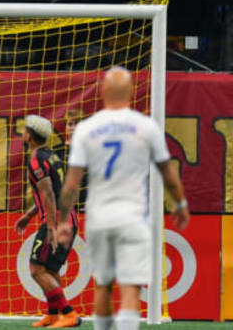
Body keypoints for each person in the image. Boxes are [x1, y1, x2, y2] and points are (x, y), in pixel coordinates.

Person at [58, 67, 189, 330]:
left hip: (99, 216)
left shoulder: (86, 129)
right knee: (129, 287)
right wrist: (181, 204)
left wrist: (62, 221)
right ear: (131, 91)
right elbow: (167, 172)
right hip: (133, 215)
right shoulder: (146, 126)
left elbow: (72, 183)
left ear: (103, 91)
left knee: (103, 285)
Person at [14, 115, 81, 328]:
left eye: (24, 130)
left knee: (36, 269)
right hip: (68, 218)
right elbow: (51, 190)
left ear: (30, 136)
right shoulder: (50, 155)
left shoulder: (36, 160)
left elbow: (50, 194)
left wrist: (51, 227)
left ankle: (69, 314)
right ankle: (54, 315)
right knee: (50, 270)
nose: (22, 133)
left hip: (57, 221)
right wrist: (28, 215)